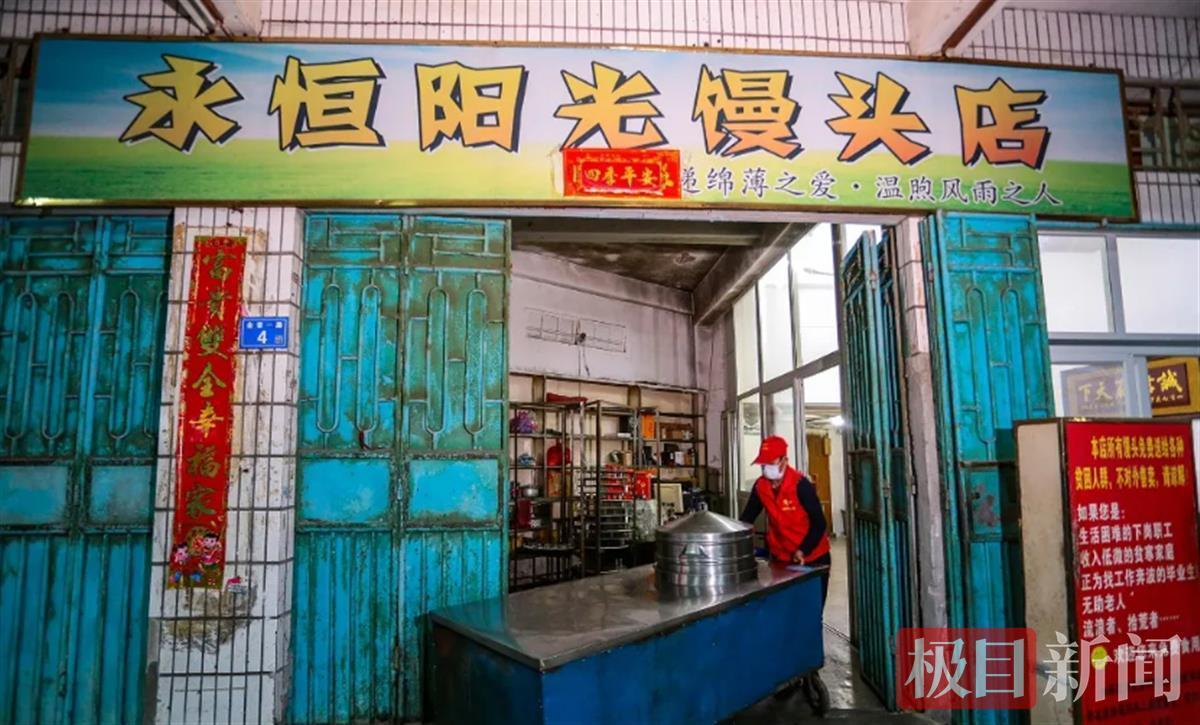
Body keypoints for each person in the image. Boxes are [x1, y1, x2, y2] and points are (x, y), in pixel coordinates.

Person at [739, 435, 831, 608]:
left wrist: (803, 550)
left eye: (771, 463)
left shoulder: (800, 485)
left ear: (784, 461)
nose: (767, 468)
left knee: (811, 608)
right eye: (763, 464)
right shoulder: (761, 486)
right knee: (787, 608)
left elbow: (819, 523)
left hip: (813, 556)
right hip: (781, 557)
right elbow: (747, 519)